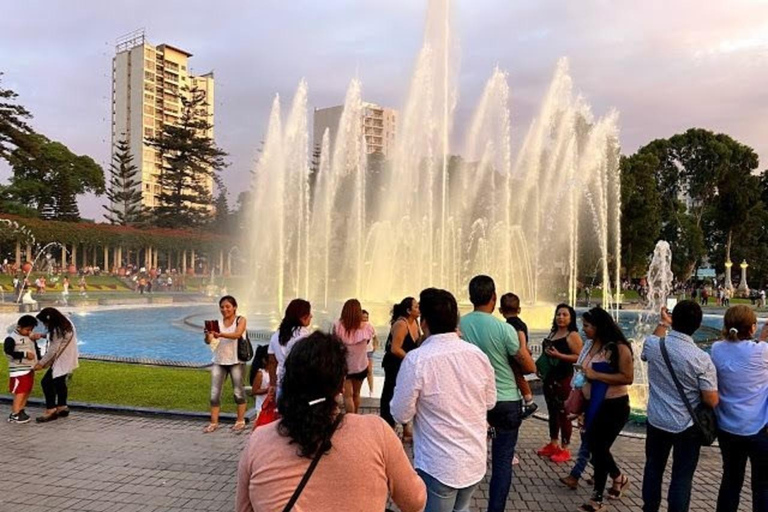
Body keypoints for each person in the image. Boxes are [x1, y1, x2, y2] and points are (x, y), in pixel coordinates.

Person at [236, 332, 426, 512]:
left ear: (289, 382)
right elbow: (415, 501)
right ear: (342, 383)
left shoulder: (259, 441)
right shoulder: (376, 432)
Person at [392, 287, 496, 512]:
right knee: (462, 507)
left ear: (424, 322)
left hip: (439, 463)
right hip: (473, 460)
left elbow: (400, 413)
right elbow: (490, 402)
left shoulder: (417, 360)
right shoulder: (477, 355)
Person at [459, 275, 536, 512]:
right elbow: (528, 366)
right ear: (493, 298)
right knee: (502, 463)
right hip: (505, 400)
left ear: (471, 297)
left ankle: (460, 506)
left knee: (464, 457)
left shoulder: (458, 326)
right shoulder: (504, 329)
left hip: (470, 401)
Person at [641, 300, 719, 512]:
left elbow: (647, 349)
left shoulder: (654, 345)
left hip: (657, 420)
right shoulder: (701, 359)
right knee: (681, 477)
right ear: (697, 324)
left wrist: (663, 323)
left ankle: (649, 508)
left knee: (653, 469)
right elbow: (711, 400)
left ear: (674, 319)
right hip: (686, 426)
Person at [710, 305, 768, 512]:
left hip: (728, 427)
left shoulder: (717, 349)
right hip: (759, 428)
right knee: (762, 485)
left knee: (731, 480)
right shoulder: (762, 351)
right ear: (752, 328)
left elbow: (742, 353)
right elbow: (756, 353)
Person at [575, 308, 634, 512]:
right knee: (596, 448)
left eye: (588, 326)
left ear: (600, 326)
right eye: (583, 326)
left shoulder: (619, 348)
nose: (585, 330)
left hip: (613, 406)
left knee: (599, 449)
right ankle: (619, 478)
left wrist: (596, 376)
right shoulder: (590, 346)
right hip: (592, 405)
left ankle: (597, 499)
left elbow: (628, 377)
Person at [537, 303, 584, 463]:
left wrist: (560, 356)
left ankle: (565, 448)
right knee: (552, 412)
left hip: (564, 379)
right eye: (558, 314)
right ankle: (553, 442)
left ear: (571, 318)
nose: (561, 317)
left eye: (564, 315)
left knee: (564, 413)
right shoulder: (553, 333)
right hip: (550, 378)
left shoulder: (572, 335)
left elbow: (579, 357)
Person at [203, 295, 248, 433]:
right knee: (214, 393)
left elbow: (237, 334)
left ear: (234, 307)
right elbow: (209, 341)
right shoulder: (216, 323)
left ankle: (240, 420)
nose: (224, 309)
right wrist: (207, 334)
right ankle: (214, 422)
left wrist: (220, 334)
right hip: (219, 361)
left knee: (238, 392)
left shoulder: (241, 320)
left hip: (236, 361)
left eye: (228, 306)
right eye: (222, 307)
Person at [380, 297, 420, 435]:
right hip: (394, 364)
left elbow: (417, 341)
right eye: (416, 306)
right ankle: (388, 427)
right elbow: (395, 349)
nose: (418, 308)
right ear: (408, 310)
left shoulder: (415, 322)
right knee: (390, 393)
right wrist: (411, 359)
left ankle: (405, 427)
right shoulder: (401, 324)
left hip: (406, 364)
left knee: (406, 393)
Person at [33, 307, 79, 423]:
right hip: (69, 356)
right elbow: (60, 338)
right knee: (59, 381)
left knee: (46, 382)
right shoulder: (66, 323)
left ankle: (51, 410)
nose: (45, 325)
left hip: (61, 359)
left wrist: (41, 363)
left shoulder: (57, 329)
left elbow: (53, 349)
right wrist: (43, 335)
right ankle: (62, 406)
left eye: (45, 322)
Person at [332, 299, 375, 414]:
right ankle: (355, 417)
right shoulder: (367, 327)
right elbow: (367, 343)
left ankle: (350, 419)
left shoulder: (338, 326)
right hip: (360, 365)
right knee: (357, 393)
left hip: (344, 366)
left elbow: (334, 344)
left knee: (347, 396)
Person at [499, 292, 538, 418]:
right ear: (519, 309)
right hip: (521, 354)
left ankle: (530, 402)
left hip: (516, 356)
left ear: (500, 310)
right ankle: (527, 401)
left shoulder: (509, 326)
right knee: (519, 378)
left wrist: (522, 350)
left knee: (518, 377)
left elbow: (520, 336)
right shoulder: (522, 323)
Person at [267, 298, 312, 398]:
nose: (311, 316)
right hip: (302, 384)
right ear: (302, 317)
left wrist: (273, 384)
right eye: (309, 314)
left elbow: (272, 362)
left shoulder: (276, 336)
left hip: (282, 384)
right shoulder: (306, 336)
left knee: (283, 412)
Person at [4, 315, 41, 423]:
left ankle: (21, 410)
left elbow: (34, 349)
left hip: (29, 368)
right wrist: (24, 354)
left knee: (27, 390)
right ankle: (14, 414)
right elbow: (8, 353)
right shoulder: (11, 338)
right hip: (19, 369)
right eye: (27, 329)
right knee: (20, 391)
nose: (29, 332)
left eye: (31, 329)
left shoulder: (29, 337)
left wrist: (38, 361)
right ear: (19, 327)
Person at [248, 345, 271, 420]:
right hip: (261, 408)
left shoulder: (274, 372)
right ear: (265, 360)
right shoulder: (260, 374)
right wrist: (267, 390)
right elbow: (254, 390)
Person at [361, 309, 380, 397]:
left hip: (369, 352)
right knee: (359, 372)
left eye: (366, 318)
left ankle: (371, 390)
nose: (365, 319)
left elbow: (375, 337)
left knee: (369, 371)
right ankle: (358, 390)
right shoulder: (358, 327)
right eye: (363, 317)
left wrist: (375, 347)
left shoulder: (370, 327)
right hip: (360, 352)